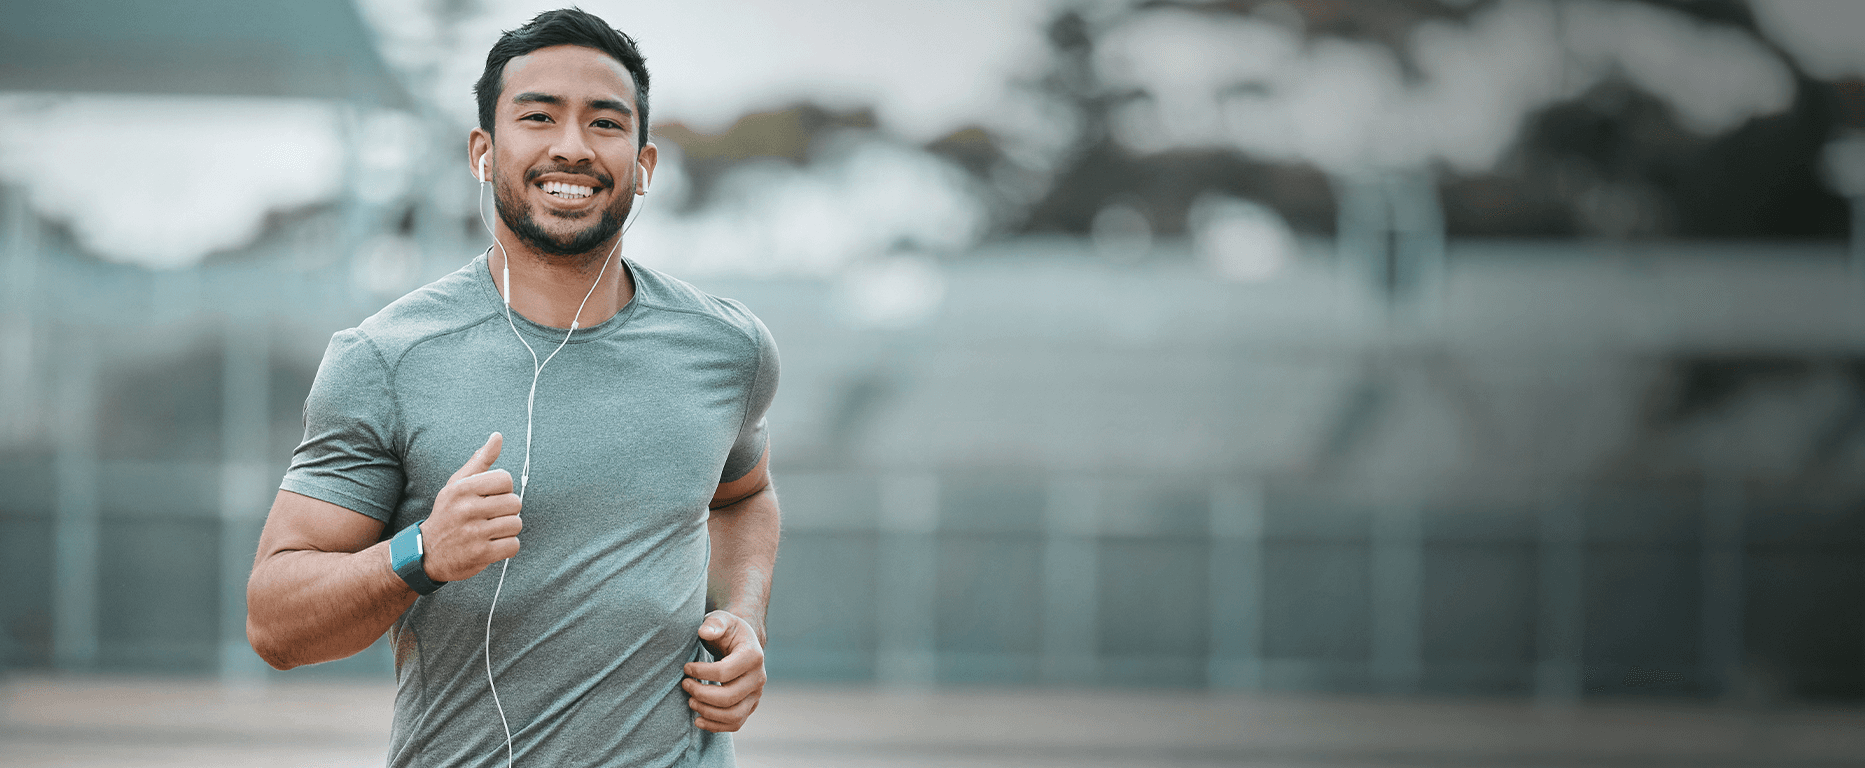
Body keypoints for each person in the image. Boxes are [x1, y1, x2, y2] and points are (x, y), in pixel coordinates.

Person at [245, 9, 779, 767]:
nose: (571, 146)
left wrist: (744, 619)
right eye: (538, 117)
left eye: (604, 122)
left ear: (645, 162)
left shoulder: (728, 348)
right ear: (483, 154)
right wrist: (422, 551)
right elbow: (275, 626)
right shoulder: (385, 358)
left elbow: (743, 496)